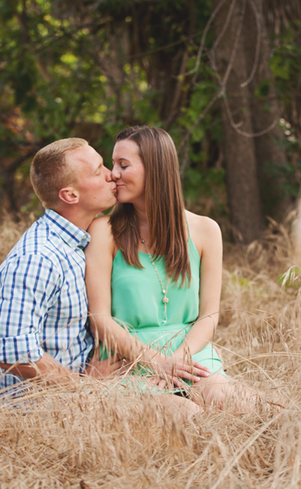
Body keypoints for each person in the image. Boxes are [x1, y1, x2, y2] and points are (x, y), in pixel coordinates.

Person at [85, 126, 236, 409]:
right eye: (113, 163)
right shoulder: (103, 231)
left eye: (123, 165)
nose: (112, 173)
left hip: (189, 353)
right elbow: (99, 318)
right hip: (127, 358)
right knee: (185, 415)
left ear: (155, 169)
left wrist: (178, 359)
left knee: (229, 399)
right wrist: (156, 362)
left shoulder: (205, 230)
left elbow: (209, 316)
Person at [0, 138, 123, 394]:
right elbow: (14, 353)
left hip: (85, 387)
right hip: (44, 409)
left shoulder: (77, 242)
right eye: (99, 171)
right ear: (70, 195)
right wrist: (87, 390)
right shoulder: (38, 258)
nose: (112, 175)